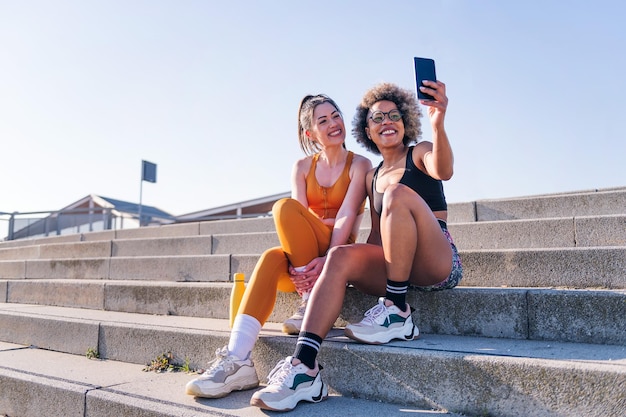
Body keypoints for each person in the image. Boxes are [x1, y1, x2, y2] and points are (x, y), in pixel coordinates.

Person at [250, 80, 463, 412]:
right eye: (377, 118)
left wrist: (438, 123)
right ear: (367, 130)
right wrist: (338, 268)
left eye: (394, 115)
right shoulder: (371, 175)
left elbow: (445, 170)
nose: (386, 122)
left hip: (437, 260)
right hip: (399, 268)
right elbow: (379, 239)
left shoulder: (419, 152)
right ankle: (304, 368)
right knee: (339, 255)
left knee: (396, 194)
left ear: (406, 121)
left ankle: (398, 312)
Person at [185, 94, 372, 400]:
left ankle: (312, 296)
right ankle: (238, 359)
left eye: (336, 116)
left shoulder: (360, 165)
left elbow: (347, 218)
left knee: (284, 209)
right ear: (310, 133)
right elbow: (296, 220)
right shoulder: (301, 166)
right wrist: (312, 239)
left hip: (337, 257)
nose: (333, 124)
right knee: (273, 254)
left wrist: (326, 259)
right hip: (305, 261)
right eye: (322, 121)